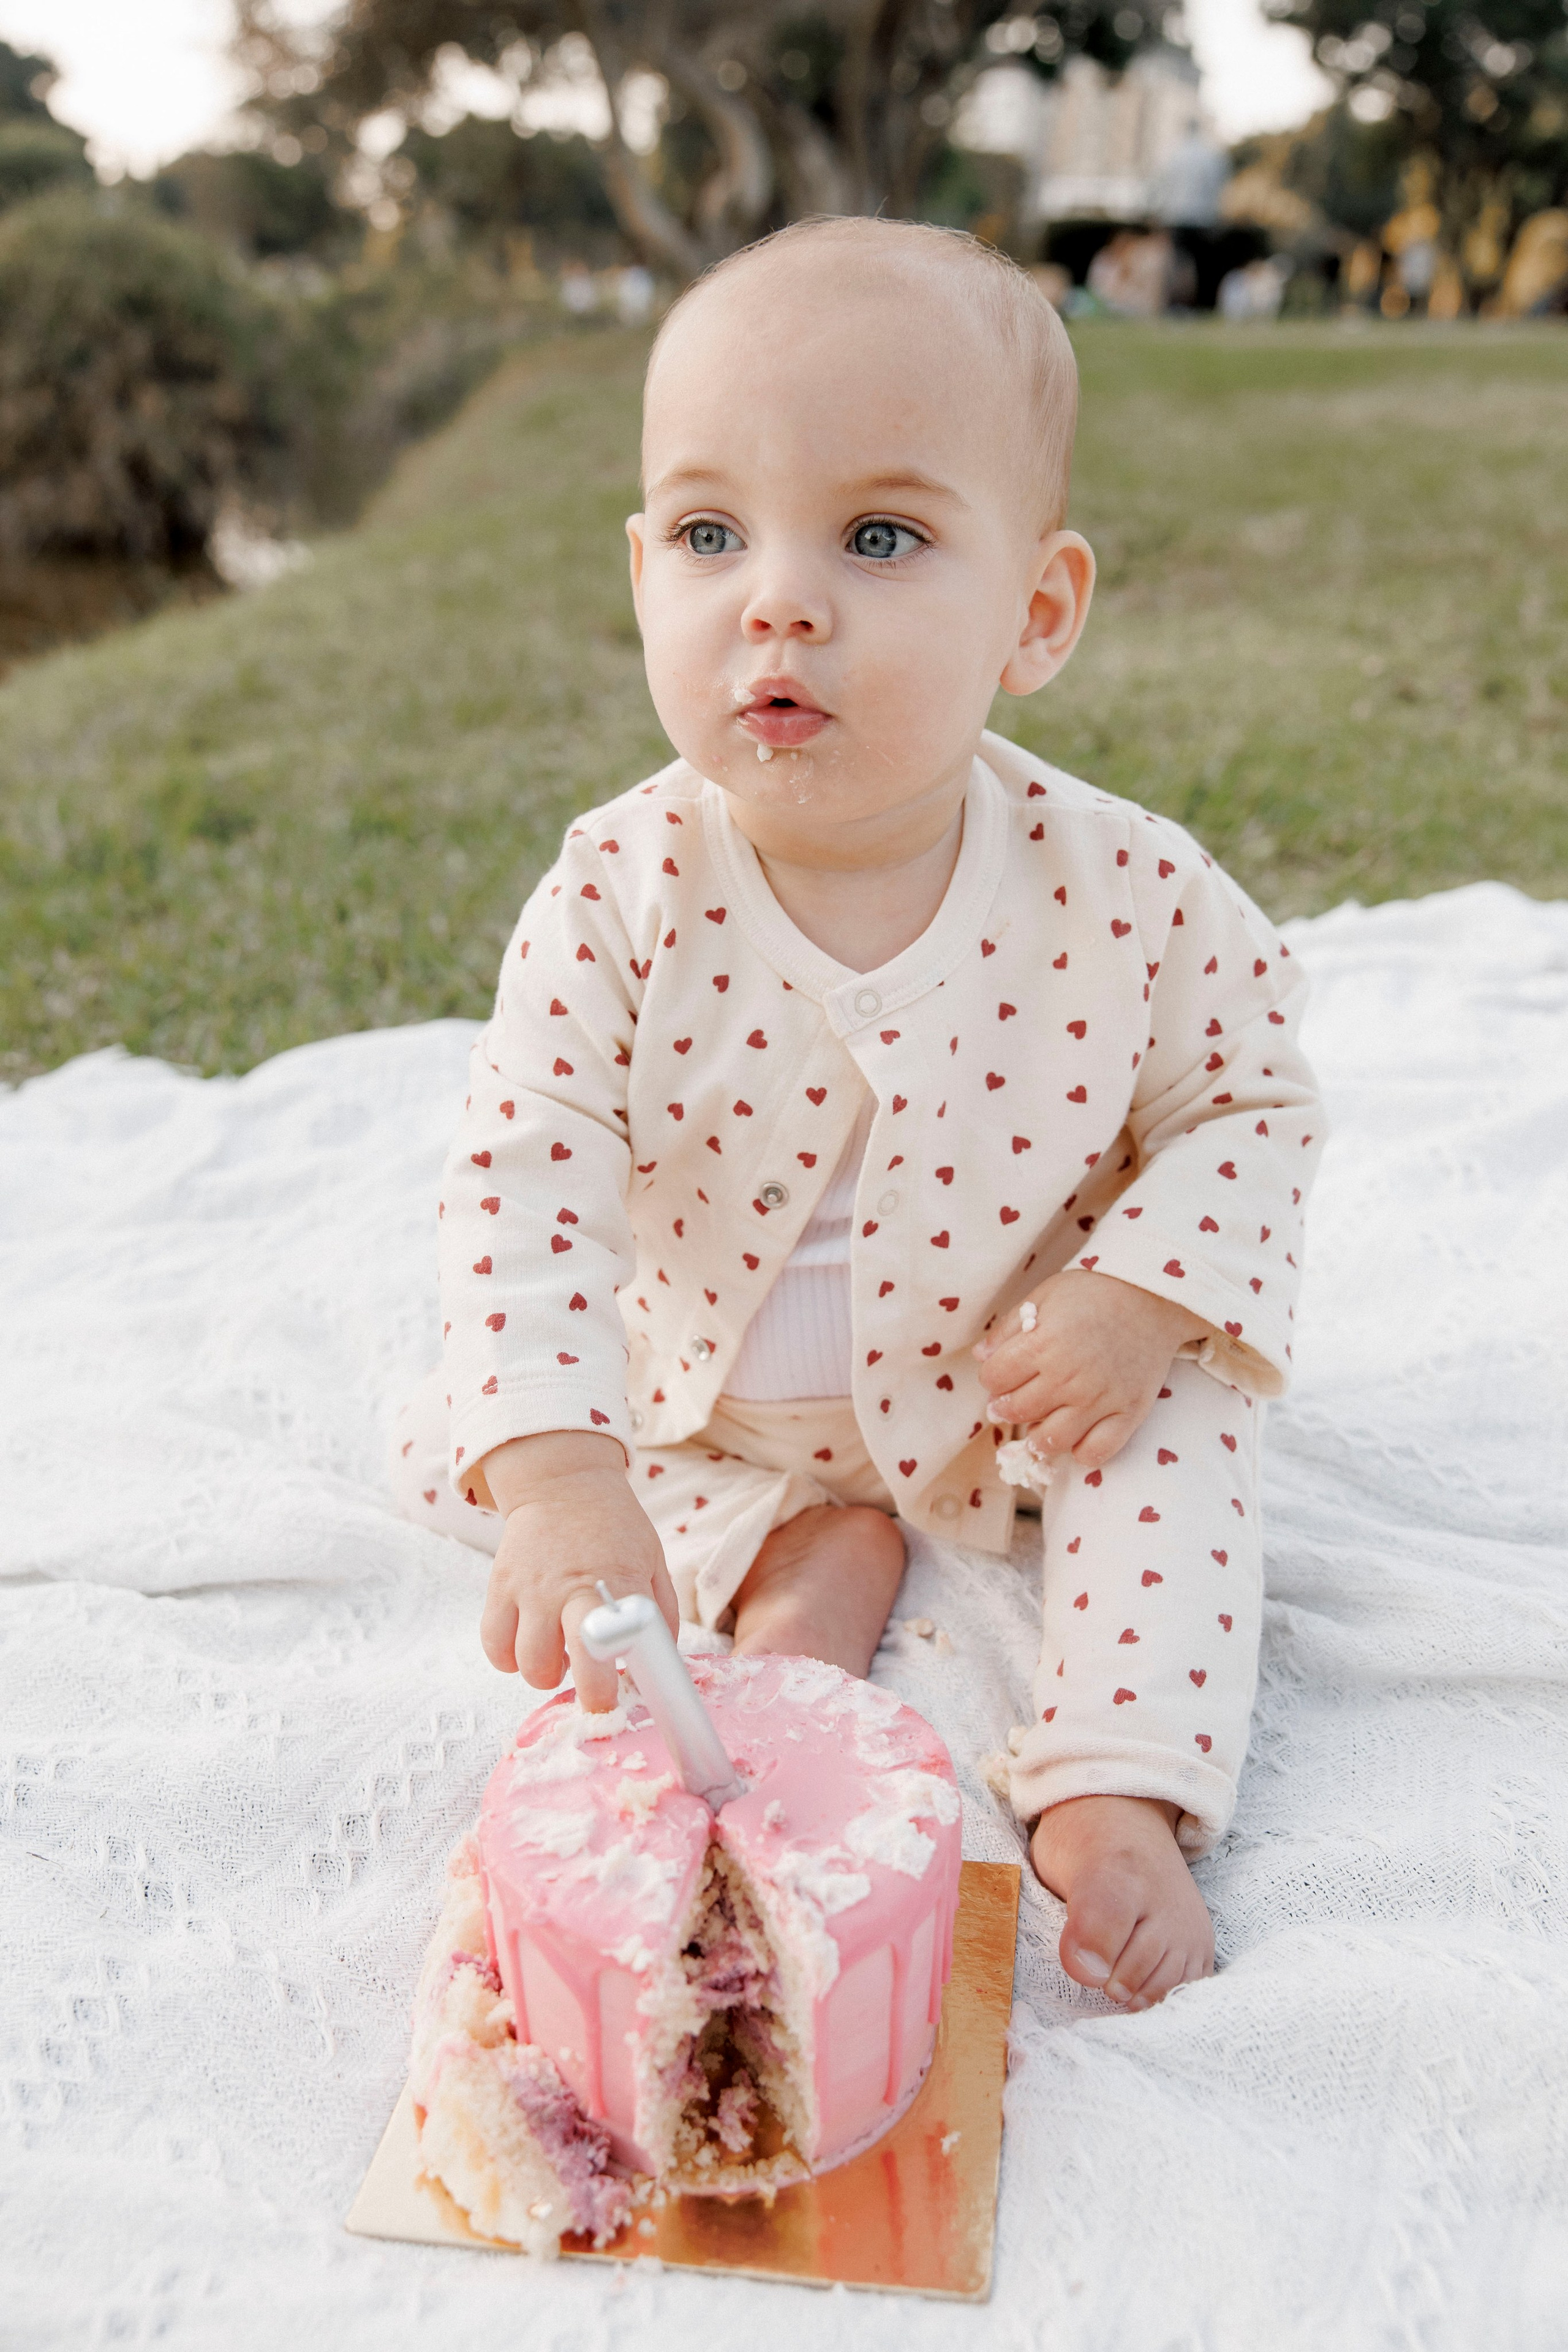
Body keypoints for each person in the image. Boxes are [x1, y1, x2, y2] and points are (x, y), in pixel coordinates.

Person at [392, 217, 1323, 2013]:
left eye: (879, 536)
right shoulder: (617, 888)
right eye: (709, 535)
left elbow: (1253, 1101)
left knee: (1194, 1436)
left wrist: (1136, 1300)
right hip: (702, 1399)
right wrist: (569, 1479)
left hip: (1011, 1397)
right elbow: (525, 1176)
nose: (778, 599)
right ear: (642, 566)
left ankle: (1116, 1785)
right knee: (477, 1435)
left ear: (1036, 615)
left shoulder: (1127, 891)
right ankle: (794, 1566)